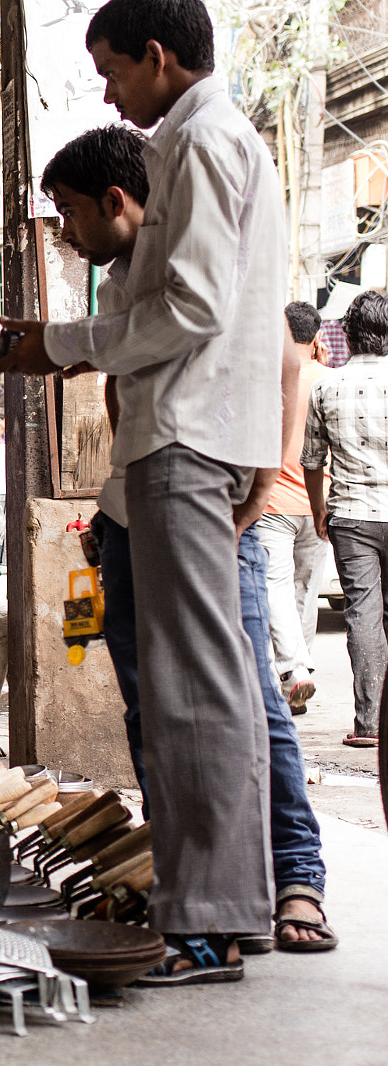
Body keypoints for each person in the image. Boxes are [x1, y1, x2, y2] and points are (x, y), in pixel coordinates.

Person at [0, 0, 287, 983]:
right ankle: (211, 908)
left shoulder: (200, 143)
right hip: (187, 439)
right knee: (195, 689)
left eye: (114, 69)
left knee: (194, 692)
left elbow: (196, 309)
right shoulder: (211, 140)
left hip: (185, 438)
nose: (109, 93)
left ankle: (209, 924)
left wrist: (63, 347)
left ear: (158, 56)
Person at [43, 124, 332, 954]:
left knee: (247, 703)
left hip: (211, 514)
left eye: (67, 211)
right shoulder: (120, 282)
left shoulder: (196, 253)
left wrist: (249, 489)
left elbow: (281, 369)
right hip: (135, 514)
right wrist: (115, 506)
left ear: (116, 201)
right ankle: (186, 881)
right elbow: (123, 399)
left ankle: (297, 880)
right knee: (155, 709)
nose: (63, 230)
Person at [304, 290, 388, 751]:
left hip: (351, 515)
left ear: (349, 337)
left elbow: (312, 461)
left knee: (363, 615)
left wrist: (319, 509)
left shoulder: (326, 386)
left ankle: (369, 723)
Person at [258, 303, 331, 714]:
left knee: (276, 590)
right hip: (319, 505)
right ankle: (297, 674)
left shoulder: (272, 378)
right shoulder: (332, 380)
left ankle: (292, 671)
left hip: (274, 503)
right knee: (305, 593)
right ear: (317, 337)